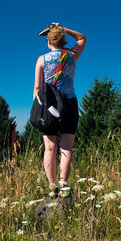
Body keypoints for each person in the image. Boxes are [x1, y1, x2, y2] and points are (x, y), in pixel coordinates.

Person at [33, 23, 86, 196]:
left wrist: (38, 108)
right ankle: (64, 185)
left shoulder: (42, 59)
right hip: (69, 103)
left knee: (50, 148)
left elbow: (37, 88)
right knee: (66, 147)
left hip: (49, 106)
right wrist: (64, 29)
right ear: (63, 40)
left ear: (48, 41)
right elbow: (82, 38)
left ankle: (52, 186)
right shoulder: (71, 55)